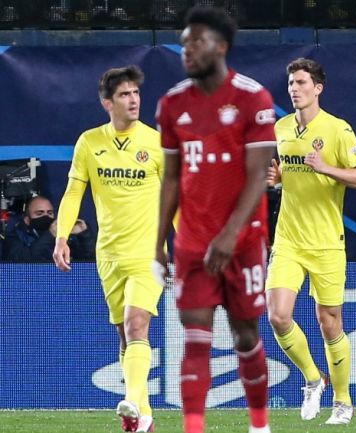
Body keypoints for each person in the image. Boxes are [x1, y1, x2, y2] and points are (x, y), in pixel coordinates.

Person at [154, 7, 276, 433]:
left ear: (221, 46)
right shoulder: (171, 105)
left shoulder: (253, 98)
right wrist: (159, 242)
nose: (187, 50)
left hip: (242, 241)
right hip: (192, 242)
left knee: (245, 334)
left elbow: (259, 175)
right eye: (184, 42)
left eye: (196, 42)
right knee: (195, 336)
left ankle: (259, 425)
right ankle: (193, 427)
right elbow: (171, 178)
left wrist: (229, 235)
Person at [51, 65, 162, 433]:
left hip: (148, 255)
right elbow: (73, 193)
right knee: (124, 334)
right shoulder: (89, 142)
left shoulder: (157, 143)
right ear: (107, 103)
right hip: (109, 255)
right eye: (124, 95)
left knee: (136, 324)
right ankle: (142, 416)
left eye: (136, 93)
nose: (133, 100)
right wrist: (62, 236)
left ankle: (132, 403)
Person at [265, 57, 356, 425]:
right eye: (291, 83)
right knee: (278, 315)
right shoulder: (280, 128)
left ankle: (343, 402)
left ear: (318, 88)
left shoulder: (338, 130)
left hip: (327, 241)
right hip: (289, 238)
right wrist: (278, 179)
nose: (294, 88)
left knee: (330, 323)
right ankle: (313, 379)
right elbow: (289, 174)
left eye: (301, 83)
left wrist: (326, 167)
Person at [2, 195, 94, 262]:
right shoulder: (15, 236)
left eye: (49, 213)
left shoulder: (64, 236)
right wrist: (50, 235)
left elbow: (89, 259)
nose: (46, 216)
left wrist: (84, 235)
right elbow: (22, 260)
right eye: (39, 213)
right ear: (27, 219)